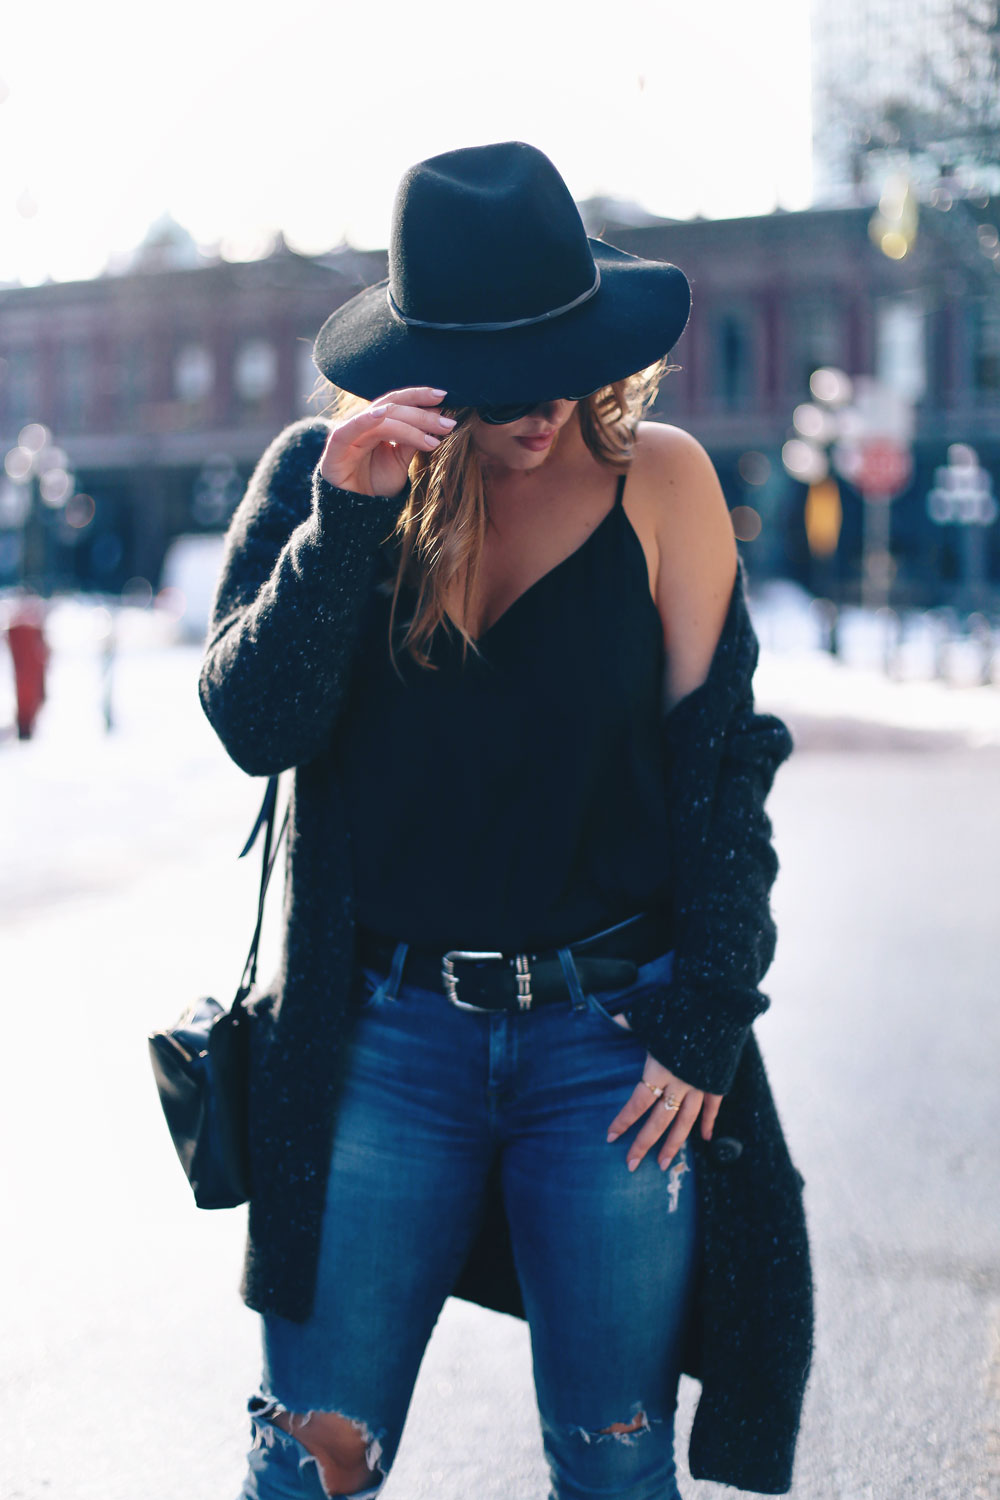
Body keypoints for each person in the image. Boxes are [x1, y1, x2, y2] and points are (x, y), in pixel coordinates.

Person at [199, 142, 813, 1500]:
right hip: (379, 1046)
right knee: (311, 1461)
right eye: (501, 380)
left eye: (566, 356)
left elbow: (725, 776)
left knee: (611, 1459)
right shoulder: (331, 477)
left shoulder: (664, 483)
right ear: (426, 364)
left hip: (611, 1049)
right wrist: (343, 524)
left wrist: (709, 1013)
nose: (541, 407)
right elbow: (256, 725)